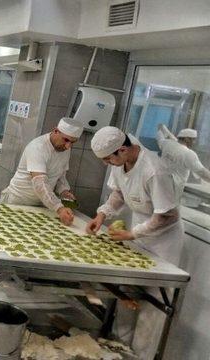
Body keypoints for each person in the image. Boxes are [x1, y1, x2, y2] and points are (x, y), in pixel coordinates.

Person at [86, 126, 183, 360]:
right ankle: (117, 350)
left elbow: (168, 216)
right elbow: (119, 193)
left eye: (109, 159)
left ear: (123, 150)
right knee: (128, 294)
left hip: (163, 241)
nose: (107, 164)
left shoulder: (154, 171)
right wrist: (102, 215)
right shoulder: (121, 161)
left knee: (153, 306)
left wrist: (133, 234)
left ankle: (140, 355)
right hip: (139, 232)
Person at [0, 117, 83, 226]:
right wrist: (59, 208)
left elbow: (59, 176)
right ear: (55, 131)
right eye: (66, 140)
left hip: (42, 206)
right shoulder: (37, 148)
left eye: (72, 142)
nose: (68, 146)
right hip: (17, 202)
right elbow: (40, 183)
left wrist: (64, 191)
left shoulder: (65, 149)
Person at [156, 124, 210, 201]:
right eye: (193, 139)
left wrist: (163, 129)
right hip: (172, 193)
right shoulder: (188, 154)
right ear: (187, 139)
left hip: (158, 186)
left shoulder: (166, 144)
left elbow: (160, 138)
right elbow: (202, 173)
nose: (194, 142)